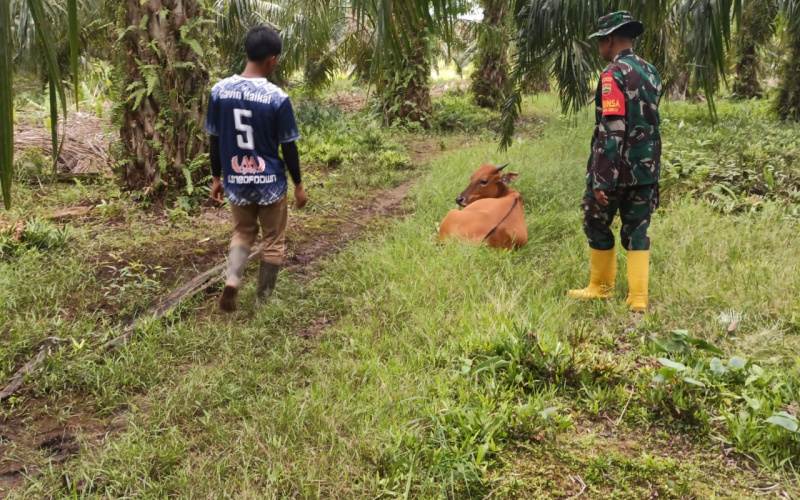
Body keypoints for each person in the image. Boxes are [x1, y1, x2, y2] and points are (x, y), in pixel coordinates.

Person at [205, 25, 308, 312]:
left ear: (247, 52)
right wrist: (298, 184)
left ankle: (233, 281)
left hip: (236, 178)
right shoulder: (277, 98)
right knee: (273, 240)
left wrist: (217, 177)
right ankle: (263, 301)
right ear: (272, 60)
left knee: (242, 232)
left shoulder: (219, 91)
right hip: (270, 183)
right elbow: (288, 147)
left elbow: (214, 140)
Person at [567, 11, 663, 312]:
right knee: (638, 228)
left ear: (610, 40)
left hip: (618, 169)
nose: (599, 48)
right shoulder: (651, 71)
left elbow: (614, 128)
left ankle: (601, 287)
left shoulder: (613, 74)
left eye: (601, 42)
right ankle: (638, 298)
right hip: (647, 168)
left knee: (594, 218)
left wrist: (602, 180)